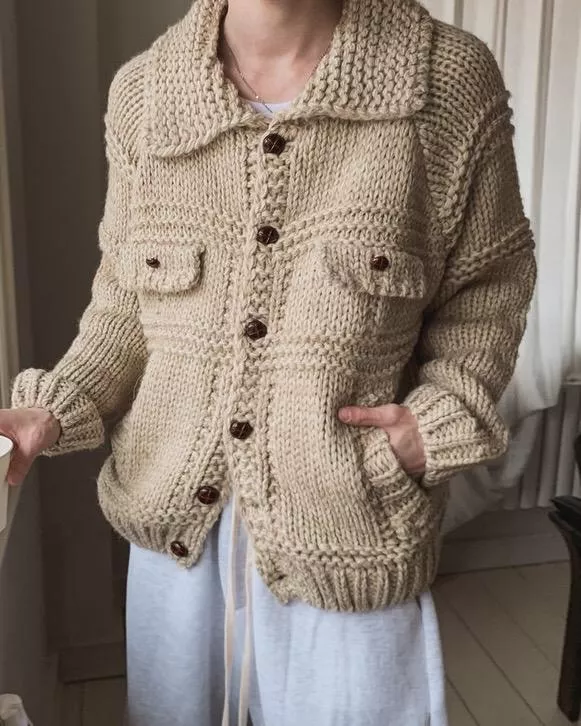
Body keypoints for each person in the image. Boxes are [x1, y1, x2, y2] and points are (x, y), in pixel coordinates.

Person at [2, 0, 537, 724]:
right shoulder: (146, 93)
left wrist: (431, 424)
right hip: (175, 535)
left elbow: (489, 285)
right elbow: (126, 305)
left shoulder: (443, 79)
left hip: (350, 517)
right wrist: (50, 408)